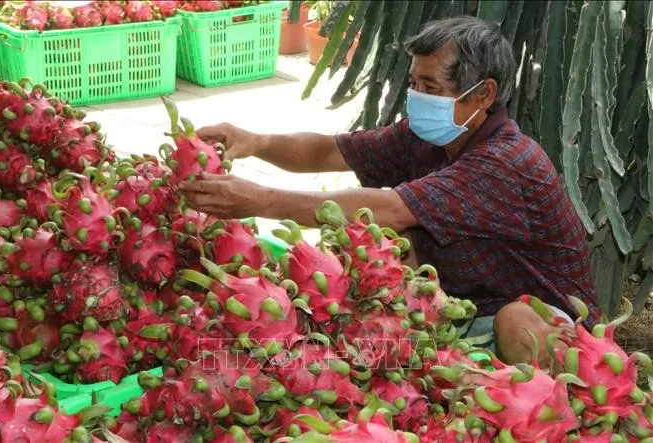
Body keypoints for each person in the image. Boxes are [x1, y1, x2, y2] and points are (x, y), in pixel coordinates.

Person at [179, 16, 603, 368]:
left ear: (484, 94)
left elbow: (392, 208)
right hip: (466, 309)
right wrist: (256, 141)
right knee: (379, 247)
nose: (416, 97)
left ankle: (560, 415)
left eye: (431, 87)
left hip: (548, 325)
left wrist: (262, 200)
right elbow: (331, 150)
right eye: (414, 83)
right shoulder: (431, 136)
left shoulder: (507, 161)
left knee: (516, 319)